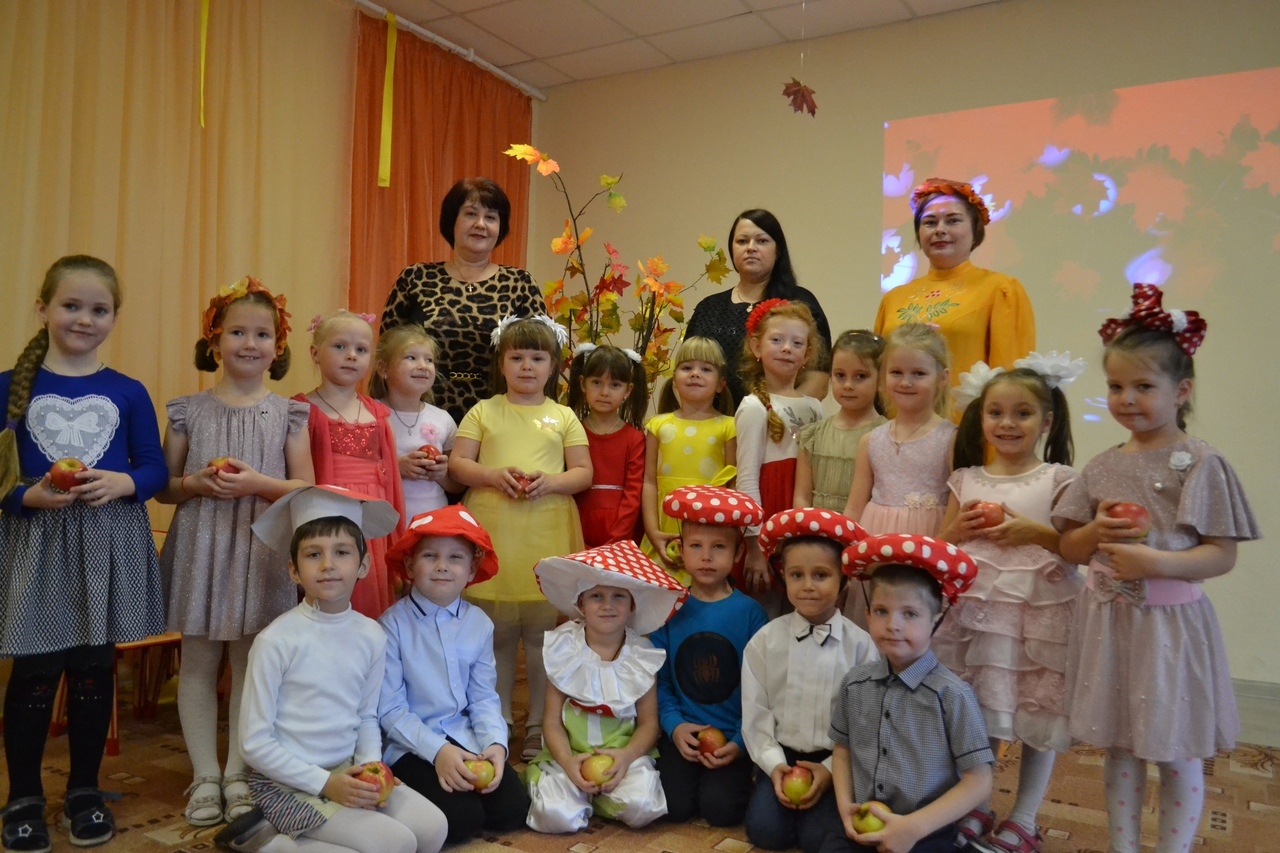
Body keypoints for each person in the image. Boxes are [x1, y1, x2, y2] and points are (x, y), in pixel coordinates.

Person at [1054, 285, 1259, 853]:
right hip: (1111, 627)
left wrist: (1154, 561)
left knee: (1175, 750)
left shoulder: (1201, 463)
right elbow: (1069, 546)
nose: (1127, 399)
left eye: (1144, 386)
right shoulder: (1102, 467)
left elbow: (1221, 553)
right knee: (1120, 746)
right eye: (1115, 386)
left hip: (1171, 632)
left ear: (1181, 390)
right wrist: (1094, 533)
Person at [0, 256, 167, 850]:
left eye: (99, 309)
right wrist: (27, 496)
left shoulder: (128, 390)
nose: (84, 318)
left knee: (95, 670)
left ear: (114, 318)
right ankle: (23, 796)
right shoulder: (9, 386)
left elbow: (154, 467)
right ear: (42, 309)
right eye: (71, 305)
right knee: (35, 672)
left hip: (107, 544)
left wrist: (126, 482)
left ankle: (84, 791)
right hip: (38, 546)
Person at [158, 276, 313, 827]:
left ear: (278, 346)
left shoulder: (289, 414)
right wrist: (195, 483)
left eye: (262, 334)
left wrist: (257, 484)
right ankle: (205, 774)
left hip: (261, 547)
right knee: (199, 662)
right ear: (215, 340)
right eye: (238, 332)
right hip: (201, 544)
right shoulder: (187, 410)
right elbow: (164, 487)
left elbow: (303, 486)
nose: (250, 343)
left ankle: (240, 772)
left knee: (252, 663)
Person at [215, 486, 447, 853]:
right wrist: (325, 784)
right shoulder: (275, 641)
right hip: (285, 783)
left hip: (347, 770)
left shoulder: (371, 635)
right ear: (294, 570)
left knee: (433, 829)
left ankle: (291, 839)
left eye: (341, 552)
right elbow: (253, 744)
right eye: (313, 554)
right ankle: (274, 846)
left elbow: (366, 716)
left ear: (363, 565)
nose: (328, 564)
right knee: (395, 844)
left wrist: (371, 770)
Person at [933, 356, 1085, 852]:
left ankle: (1025, 817)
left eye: (1022, 413)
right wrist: (958, 529)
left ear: (1047, 421)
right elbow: (940, 547)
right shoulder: (965, 479)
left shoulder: (1060, 479)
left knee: (1039, 714)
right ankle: (977, 802)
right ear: (981, 419)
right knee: (981, 710)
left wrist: (1032, 532)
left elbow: (1075, 548)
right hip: (975, 616)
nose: (1007, 423)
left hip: (1037, 618)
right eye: (996, 412)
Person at [448, 315, 592, 761]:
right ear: (501, 363)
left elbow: (583, 472)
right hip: (495, 532)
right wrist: (492, 475)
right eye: (516, 357)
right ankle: (498, 721)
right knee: (496, 638)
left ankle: (538, 725)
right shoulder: (483, 411)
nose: (527, 366)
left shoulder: (564, 415)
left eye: (537, 357)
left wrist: (552, 482)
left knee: (542, 638)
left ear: (554, 366)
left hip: (546, 533)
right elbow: (458, 465)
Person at [823, 533, 994, 853]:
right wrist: (845, 806)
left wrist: (914, 828)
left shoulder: (953, 695)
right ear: (868, 616)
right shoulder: (854, 684)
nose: (894, 625)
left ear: (936, 621)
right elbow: (842, 748)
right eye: (882, 611)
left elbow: (979, 779)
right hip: (861, 819)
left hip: (925, 829)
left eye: (910, 614)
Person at [377, 506, 530, 844]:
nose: (442, 566)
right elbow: (390, 710)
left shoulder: (479, 623)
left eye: (455, 557)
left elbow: (484, 697)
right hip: (412, 744)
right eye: (430, 556)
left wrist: (495, 744)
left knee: (513, 810)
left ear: (472, 568)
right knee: (462, 820)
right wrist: (438, 752)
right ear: (409, 566)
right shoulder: (392, 626)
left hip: (463, 735)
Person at [525, 540, 688, 833]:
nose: (607, 605)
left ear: (632, 605)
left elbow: (649, 724)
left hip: (622, 757)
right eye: (596, 595)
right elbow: (551, 722)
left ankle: (595, 797)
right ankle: (576, 792)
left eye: (618, 596)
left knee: (643, 808)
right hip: (569, 755)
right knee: (555, 817)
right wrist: (568, 761)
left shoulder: (641, 655)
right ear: (580, 604)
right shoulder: (564, 648)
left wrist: (626, 758)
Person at [743, 508, 877, 853]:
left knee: (820, 839)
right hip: (783, 756)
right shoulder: (765, 641)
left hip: (838, 759)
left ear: (844, 579)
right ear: (783, 577)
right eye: (796, 575)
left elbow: (867, 722)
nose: (807, 586)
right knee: (765, 833)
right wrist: (774, 766)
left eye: (821, 575)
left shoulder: (861, 647)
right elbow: (756, 714)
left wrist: (831, 770)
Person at [650, 487, 769, 827]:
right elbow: (659, 679)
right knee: (673, 807)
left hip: (732, 734)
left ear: (738, 552)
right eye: (696, 546)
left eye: (718, 547)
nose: (706, 557)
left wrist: (741, 742)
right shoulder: (669, 609)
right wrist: (674, 726)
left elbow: (763, 688)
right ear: (680, 548)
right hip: (683, 730)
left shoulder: (751, 614)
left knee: (721, 811)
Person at [381, 177, 543, 423]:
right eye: (470, 214)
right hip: (421, 412)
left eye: (491, 217)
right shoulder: (415, 278)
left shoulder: (520, 283)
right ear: (452, 221)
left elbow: (542, 355)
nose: (481, 224)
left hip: (501, 415)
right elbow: (388, 351)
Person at [875, 178, 1035, 404]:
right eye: (930, 222)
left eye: (953, 221)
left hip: (964, 423)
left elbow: (1011, 379)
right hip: (897, 423)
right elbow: (878, 376)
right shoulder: (894, 298)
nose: (940, 230)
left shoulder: (1000, 289)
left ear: (975, 230)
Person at [294, 311, 407, 618]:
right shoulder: (300, 409)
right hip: (328, 514)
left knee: (370, 589)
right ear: (315, 353)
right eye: (340, 346)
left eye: (361, 349)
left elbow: (392, 479)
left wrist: (396, 535)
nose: (351, 356)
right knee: (332, 590)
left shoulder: (377, 413)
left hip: (371, 517)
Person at [684, 209, 832, 405]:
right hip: (713, 421)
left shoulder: (799, 302)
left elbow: (819, 379)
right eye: (742, 241)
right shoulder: (708, 308)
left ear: (778, 251)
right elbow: (685, 370)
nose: (751, 248)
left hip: (779, 420)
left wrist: (771, 416)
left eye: (762, 241)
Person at [735, 299, 825, 603]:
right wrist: (755, 547)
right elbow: (747, 479)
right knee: (771, 600)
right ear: (756, 347)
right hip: (769, 515)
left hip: (804, 512)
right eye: (776, 340)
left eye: (797, 343)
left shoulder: (814, 407)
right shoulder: (753, 407)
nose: (787, 348)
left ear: (807, 355)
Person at [843, 324, 954, 538]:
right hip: (875, 539)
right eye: (896, 372)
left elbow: (957, 506)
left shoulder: (950, 439)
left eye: (919, 373)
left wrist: (940, 548)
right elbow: (854, 507)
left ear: (942, 378)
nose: (905, 382)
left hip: (929, 542)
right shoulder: (871, 440)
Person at [640, 336, 737, 580]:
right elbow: (649, 481)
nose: (695, 374)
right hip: (665, 526)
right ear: (674, 380)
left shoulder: (730, 426)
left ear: (720, 384)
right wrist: (652, 532)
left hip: (710, 527)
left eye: (706, 369)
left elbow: (734, 486)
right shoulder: (657, 425)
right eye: (686, 367)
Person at [369, 325, 459, 519]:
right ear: (383, 369)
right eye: (411, 357)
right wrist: (395, 467)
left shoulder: (443, 419)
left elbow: (456, 486)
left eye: (429, 360)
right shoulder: (367, 414)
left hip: (433, 522)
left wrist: (442, 474)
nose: (423, 366)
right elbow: (354, 472)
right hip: (384, 523)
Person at [567, 343, 649, 547]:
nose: (604, 392)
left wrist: (616, 542)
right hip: (575, 528)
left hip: (621, 534)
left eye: (615, 385)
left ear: (628, 390)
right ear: (583, 384)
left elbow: (633, 495)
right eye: (596, 382)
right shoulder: (572, 432)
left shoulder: (635, 439)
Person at [796, 330, 887, 511]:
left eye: (861, 376)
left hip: (863, 527)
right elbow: (802, 497)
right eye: (840, 375)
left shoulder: (887, 435)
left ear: (881, 379)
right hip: (816, 527)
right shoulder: (813, 434)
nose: (848, 385)